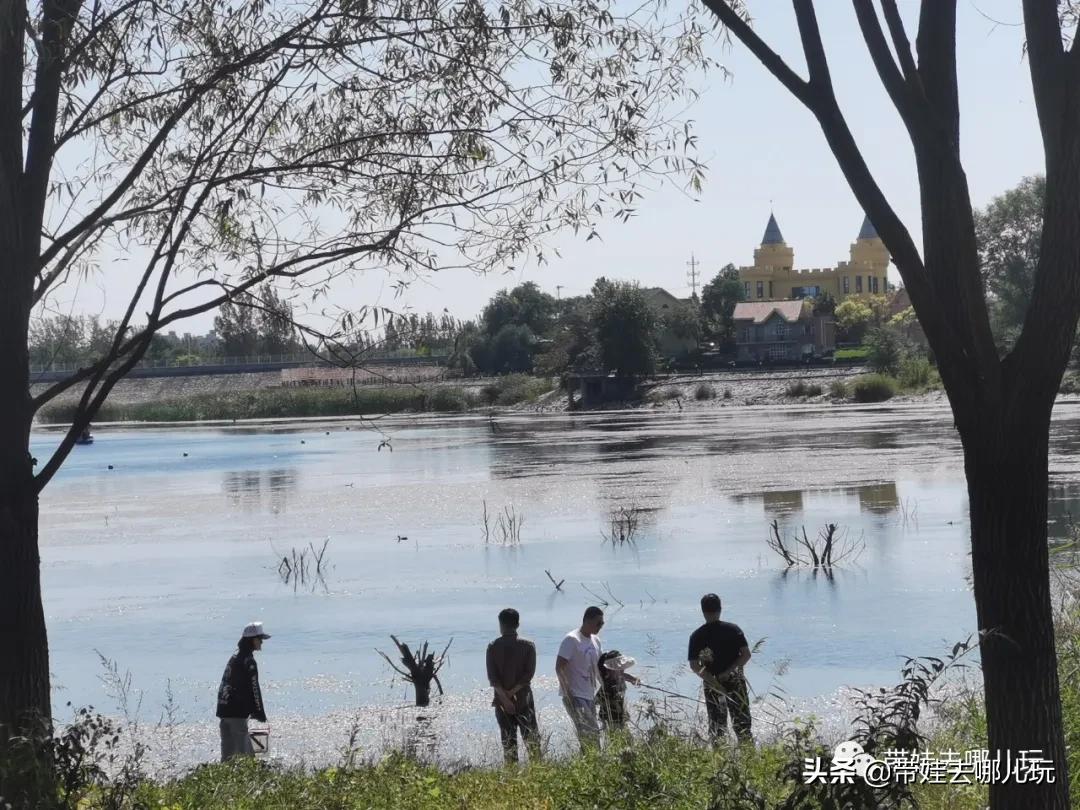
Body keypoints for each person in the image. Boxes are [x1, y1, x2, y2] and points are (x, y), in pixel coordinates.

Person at [687, 593, 752, 744]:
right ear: (720, 609)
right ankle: (749, 757)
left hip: (712, 685)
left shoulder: (697, 636)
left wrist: (715, 683)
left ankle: (718, 762)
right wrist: (729, 672)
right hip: (735, 681)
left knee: (717, 728)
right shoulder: (733, 629)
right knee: (743, 725)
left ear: (702, 611)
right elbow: (746, 655)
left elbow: (695, 666)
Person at [486, 607, 541, 764]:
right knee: (533, 743)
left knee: (509, 745)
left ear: (501, 625)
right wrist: (512, 694)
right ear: (517, 624)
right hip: (524, 699)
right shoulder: (529, 646)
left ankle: (511, 777)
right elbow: (527, 676)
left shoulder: (492, 646)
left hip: (502, 703)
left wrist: (505, 698)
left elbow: (493, 678)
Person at [216, 621, 270, 761]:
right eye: (260, 639)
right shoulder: (249, 661)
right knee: (245, 757)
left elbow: (224, 683)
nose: (261, 643)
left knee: (227, 756)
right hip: (237, 713)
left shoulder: (234, 658)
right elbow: (254, 687)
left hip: (224, 710)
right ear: (252, 640)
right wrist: (259, 712)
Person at [556, 606, 604, 750]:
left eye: (602, 624)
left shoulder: (596, 640)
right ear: (587, 620)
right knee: (588, 734)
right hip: (575, 695)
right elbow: (559, 667)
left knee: (593, 733)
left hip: (589, 694)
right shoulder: (572, 639)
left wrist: (608, 684)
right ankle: (592, 765)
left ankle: (592, 765)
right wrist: (568, 693)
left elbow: (600, 668)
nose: (600, 626)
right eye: (598, 623)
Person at [596, 649, 639, 732]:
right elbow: (597, 700)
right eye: (618, 668)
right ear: (609, 670)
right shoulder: (608, 684)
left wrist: (633, 679)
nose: (622, 670)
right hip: (610, 719)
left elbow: (624, 675)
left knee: (627, 739)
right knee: (615, 738)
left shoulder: (619, 677)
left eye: (622, 668)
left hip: (621, 717)